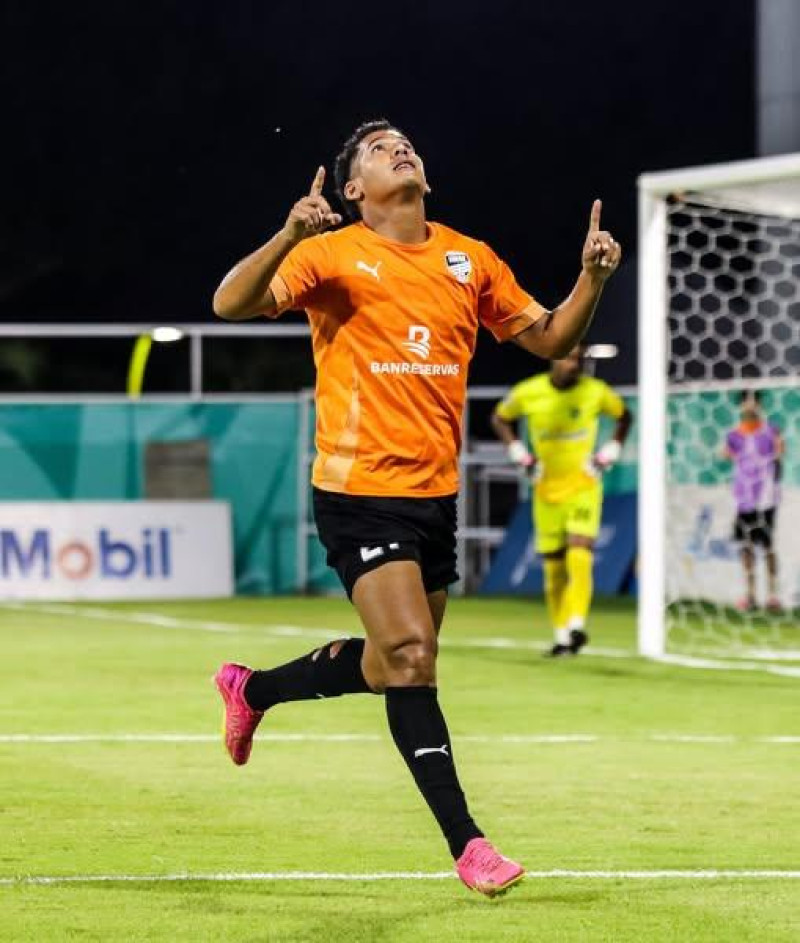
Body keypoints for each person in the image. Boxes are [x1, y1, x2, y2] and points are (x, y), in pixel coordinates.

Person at [211, 118, 621, 897]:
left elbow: (548, 337)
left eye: (405, 143)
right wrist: (289, 232)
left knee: (388, 661)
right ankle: (469, 843)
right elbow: (230, 302)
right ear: (354, 189)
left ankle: (250, 688)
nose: (399, 148)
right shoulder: (329, 253)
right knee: (410, 658)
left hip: (434, 498)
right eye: (378, 149)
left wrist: (591, 279)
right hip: (358, 490)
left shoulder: (470, 259)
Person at [491, 346, 632, 656]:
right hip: (546, 489)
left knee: (580, 552)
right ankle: (562, 635)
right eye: (569, 358)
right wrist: (519, 453)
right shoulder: (529, 392)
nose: (574, 364)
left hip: (583, 485)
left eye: (579, 359)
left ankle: (577, 624)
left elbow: (625, 416)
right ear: (552, 358)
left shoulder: (596, 391)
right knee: (554, 568)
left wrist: (611, 450)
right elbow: (500, 418)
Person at [722, 390, 784, 612]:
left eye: (753, 402)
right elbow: (725, 454)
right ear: (741, 406)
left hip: (765, 498)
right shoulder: (734, 434)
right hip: (744, 499)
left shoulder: (770, 430)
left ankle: (773, 595)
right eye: (746, 402)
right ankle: (749, 595)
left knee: (768, 546)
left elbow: (780, 453)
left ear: (759, 405)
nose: (750, 406)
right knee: (746, 546)